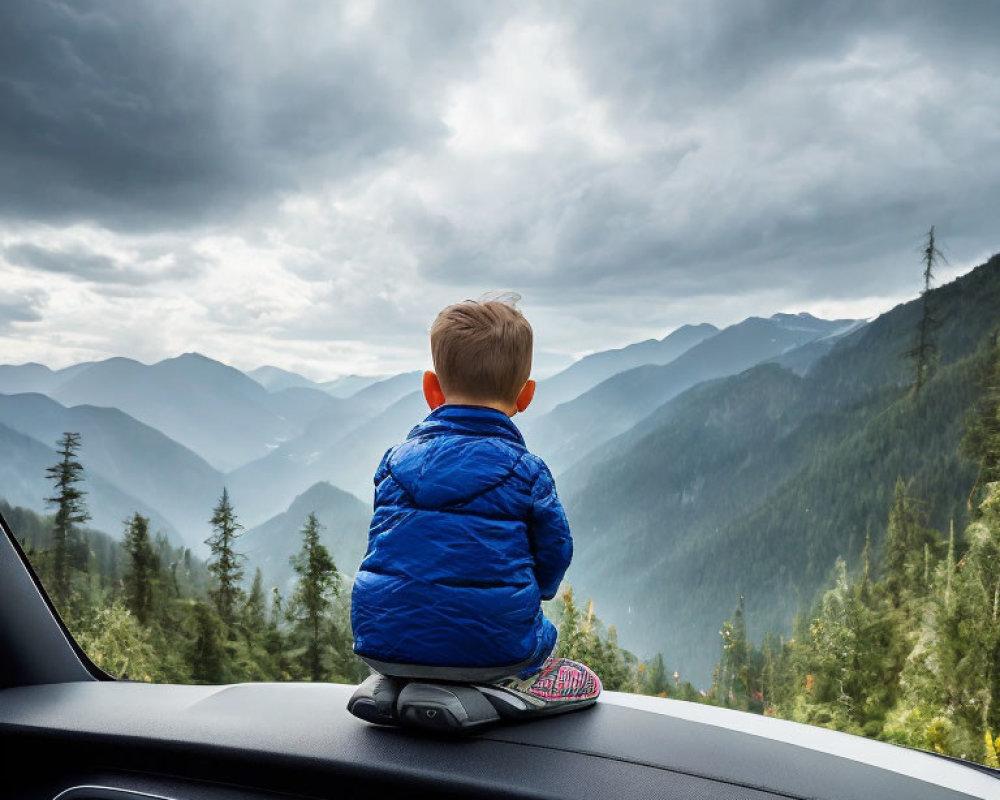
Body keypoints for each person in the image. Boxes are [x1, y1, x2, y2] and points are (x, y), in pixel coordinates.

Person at [350, 294, 600, 718]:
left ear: (432, 388)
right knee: (542, 641)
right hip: (492, 647)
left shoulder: (392, 463)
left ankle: (392, 683)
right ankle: (505, 688)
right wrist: (534, 594)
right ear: (526, 395)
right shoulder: (527, 471)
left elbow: (389, 543)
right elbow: (556, 551)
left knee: (419, 626)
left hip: (381, 640)